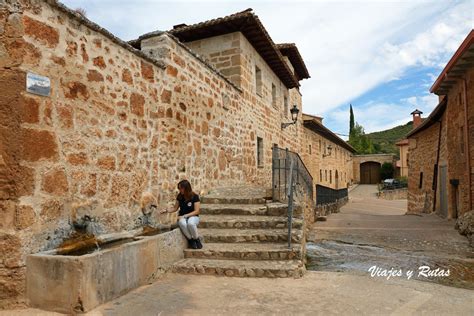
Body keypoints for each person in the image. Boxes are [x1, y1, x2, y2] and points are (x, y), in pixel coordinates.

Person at [160, 180, 202, 249]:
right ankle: (191, 240)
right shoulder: (179, 196)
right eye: (179, 188)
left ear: (186, 188)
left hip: (193, 217)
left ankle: (196, 239)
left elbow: (197, 211)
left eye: (181, 188)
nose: (180, 190)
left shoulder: (195, 196)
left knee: (190, 223)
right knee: (182, 224)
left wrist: (185, 216)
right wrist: (166, 210)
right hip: (183, 217)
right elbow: (175, 208)